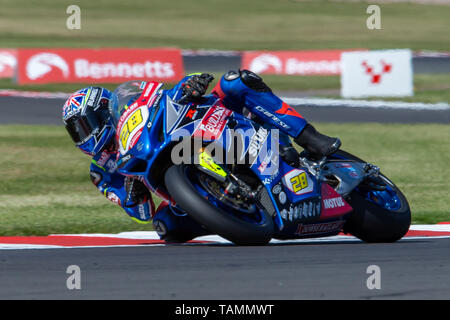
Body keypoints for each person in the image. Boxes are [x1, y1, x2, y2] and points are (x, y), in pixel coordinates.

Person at [62, 70, 340, 242]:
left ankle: (309, 138)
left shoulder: (132, 102)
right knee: (165, 227)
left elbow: (164, 95)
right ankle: (232, 215)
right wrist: (132, 190)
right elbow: (143, 214)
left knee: (235, 81)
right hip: (176, 179)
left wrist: (189, 85)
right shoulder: (102, 171)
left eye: (85, 126)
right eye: (76, 132)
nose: (84, 136)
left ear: (103, 113)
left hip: (205, 129)